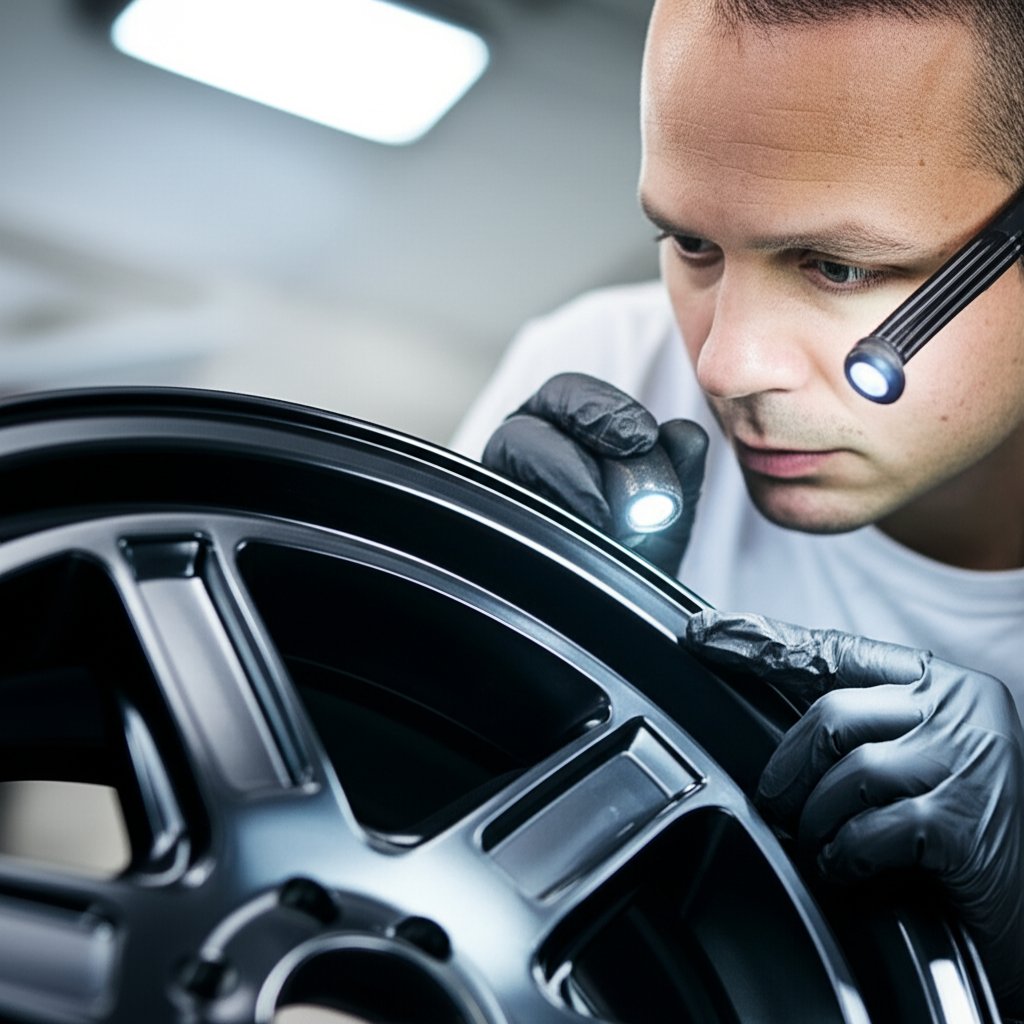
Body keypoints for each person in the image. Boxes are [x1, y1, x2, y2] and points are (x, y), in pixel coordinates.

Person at [450, 0, 1024, 1016]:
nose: (723, 366)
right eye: (690, 243)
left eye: (839, 267)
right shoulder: (599, 365)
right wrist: (484, 671)